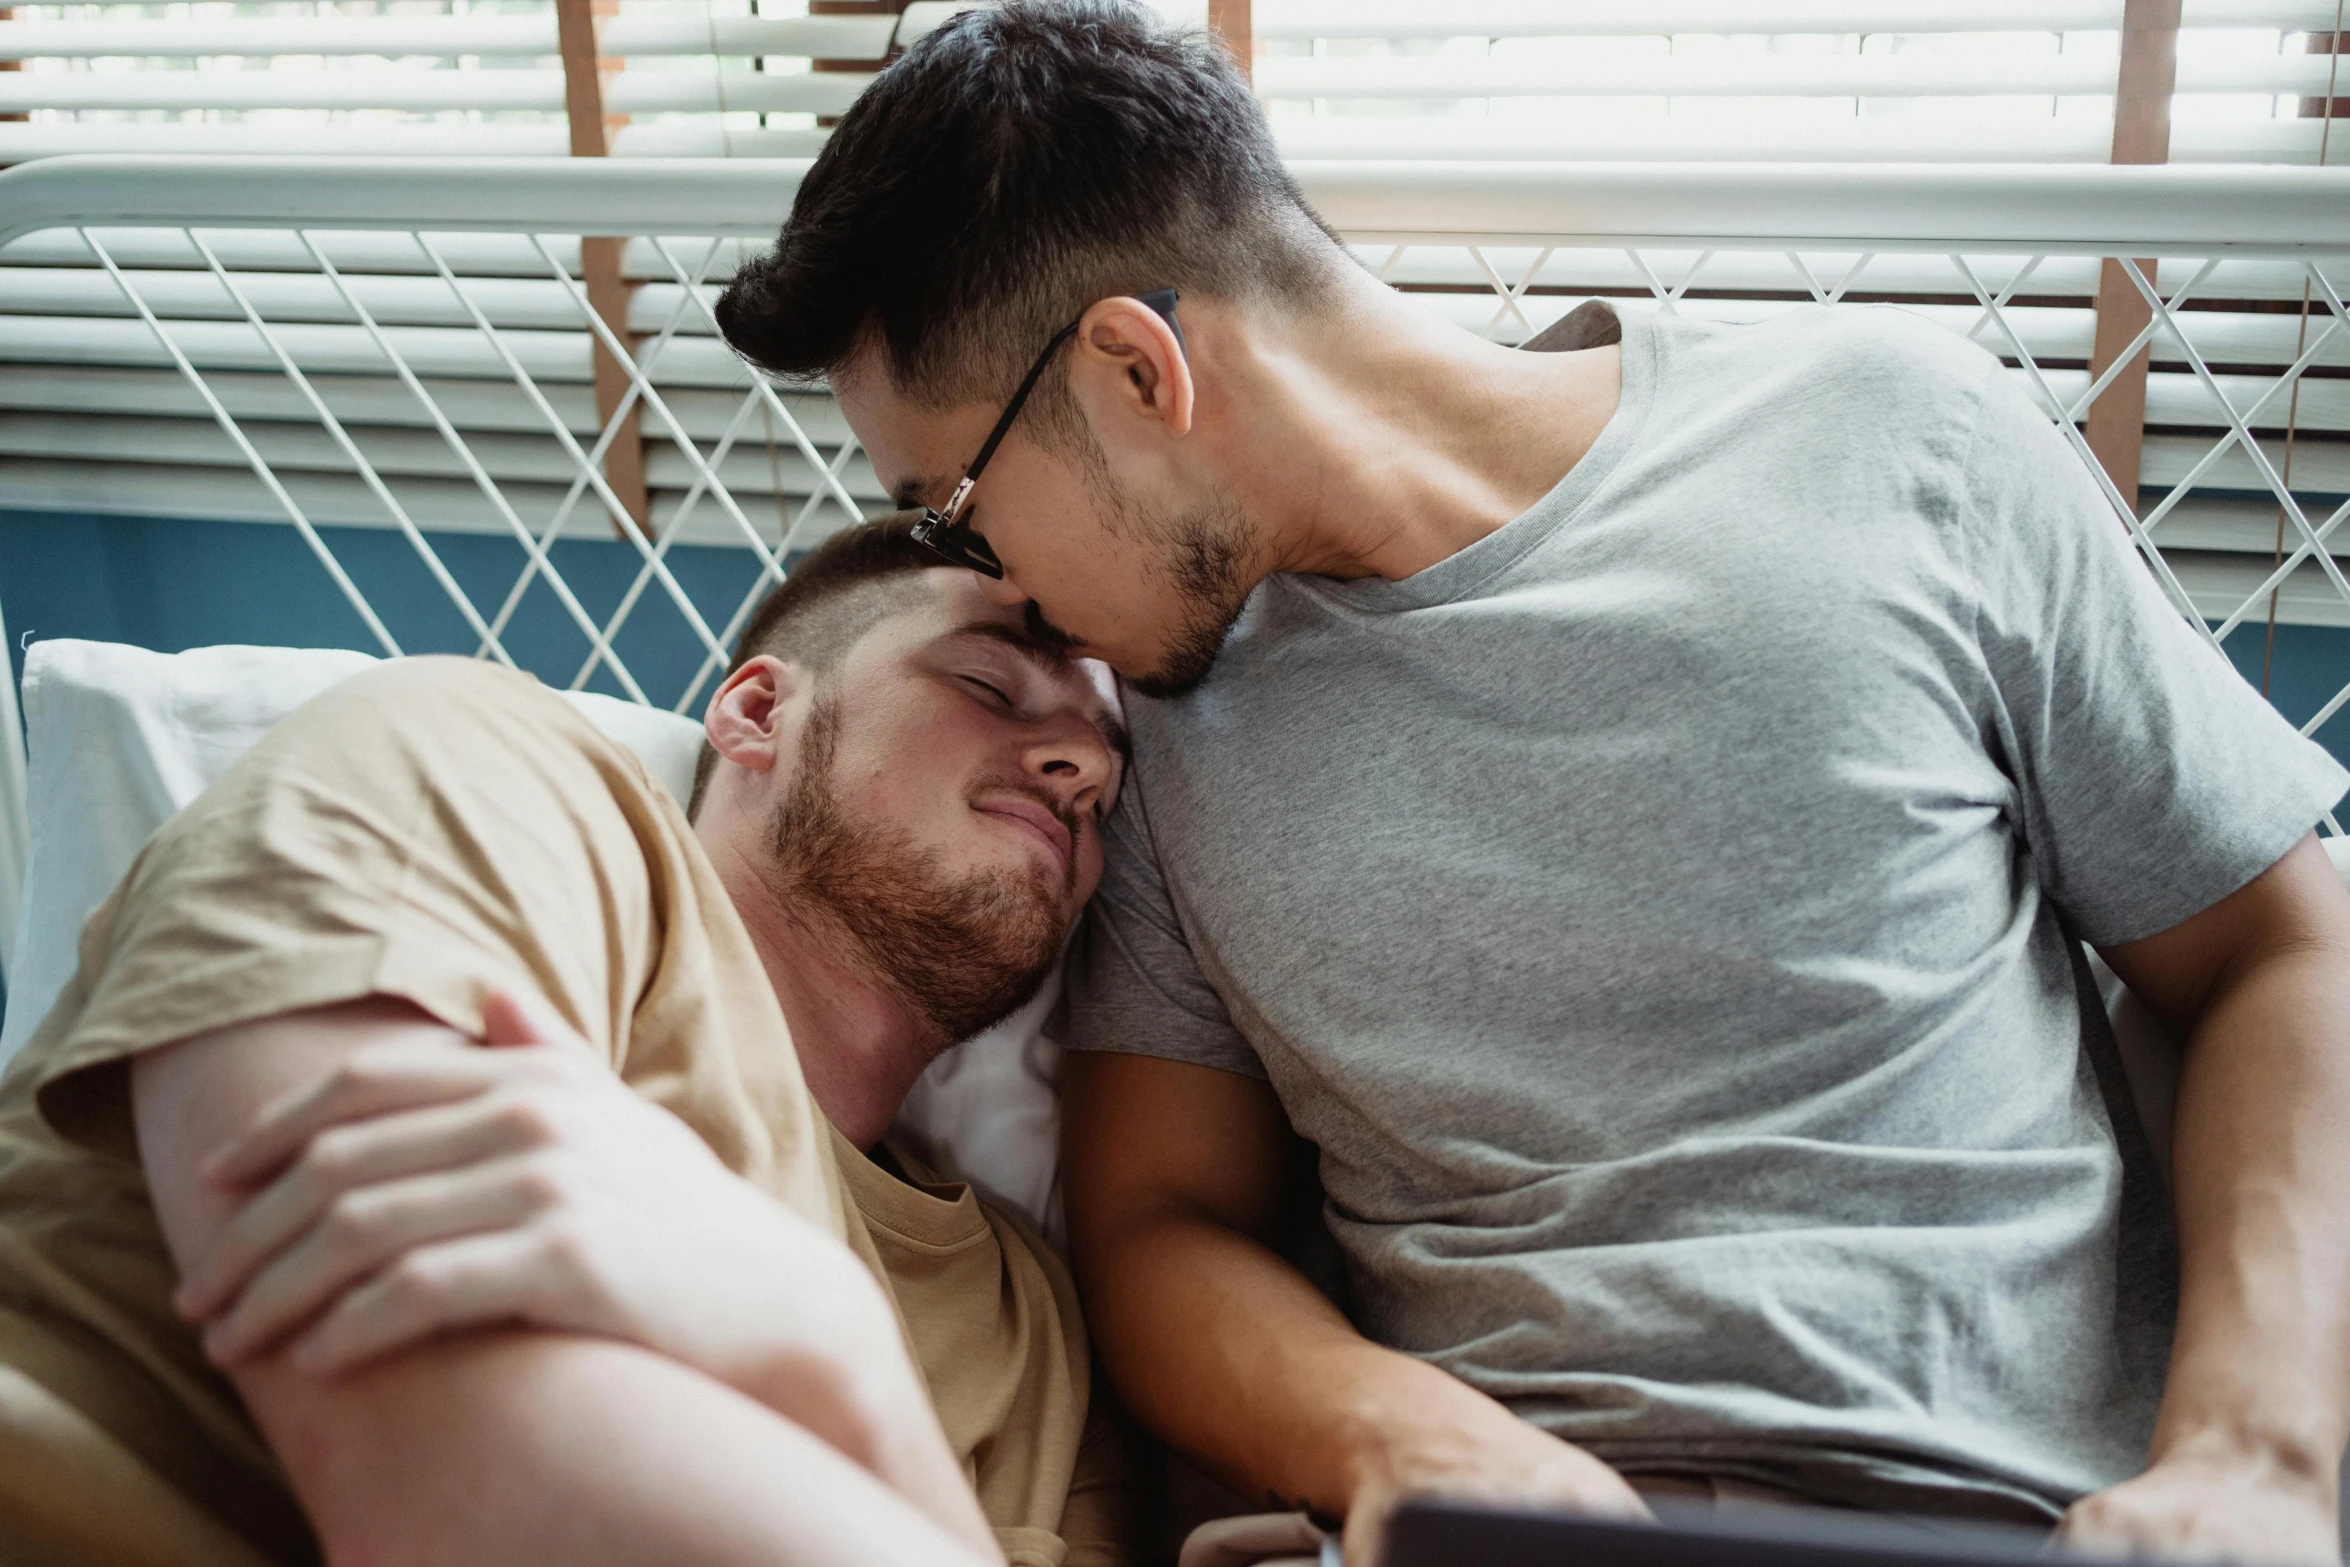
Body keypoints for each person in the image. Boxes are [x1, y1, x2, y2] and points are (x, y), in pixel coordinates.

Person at [710, 3, 2350, 1563]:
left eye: (957, 504)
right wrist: (1397, 1439)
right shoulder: (1155, 731)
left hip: (2002, 1517)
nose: (989, 578)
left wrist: (2255, 1457)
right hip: (1490, 1528)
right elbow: (1154, 1218)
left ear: (1141, 375)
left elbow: (2283, 948)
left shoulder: (1899, 446)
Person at [0, 517, 1134, 1566]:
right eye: (991, 680)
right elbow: (431, 1471)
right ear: (755, 713)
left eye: (1107, 774)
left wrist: (841, 1357)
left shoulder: (1037, 1339)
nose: (1080, 767)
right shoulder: (491, 764)